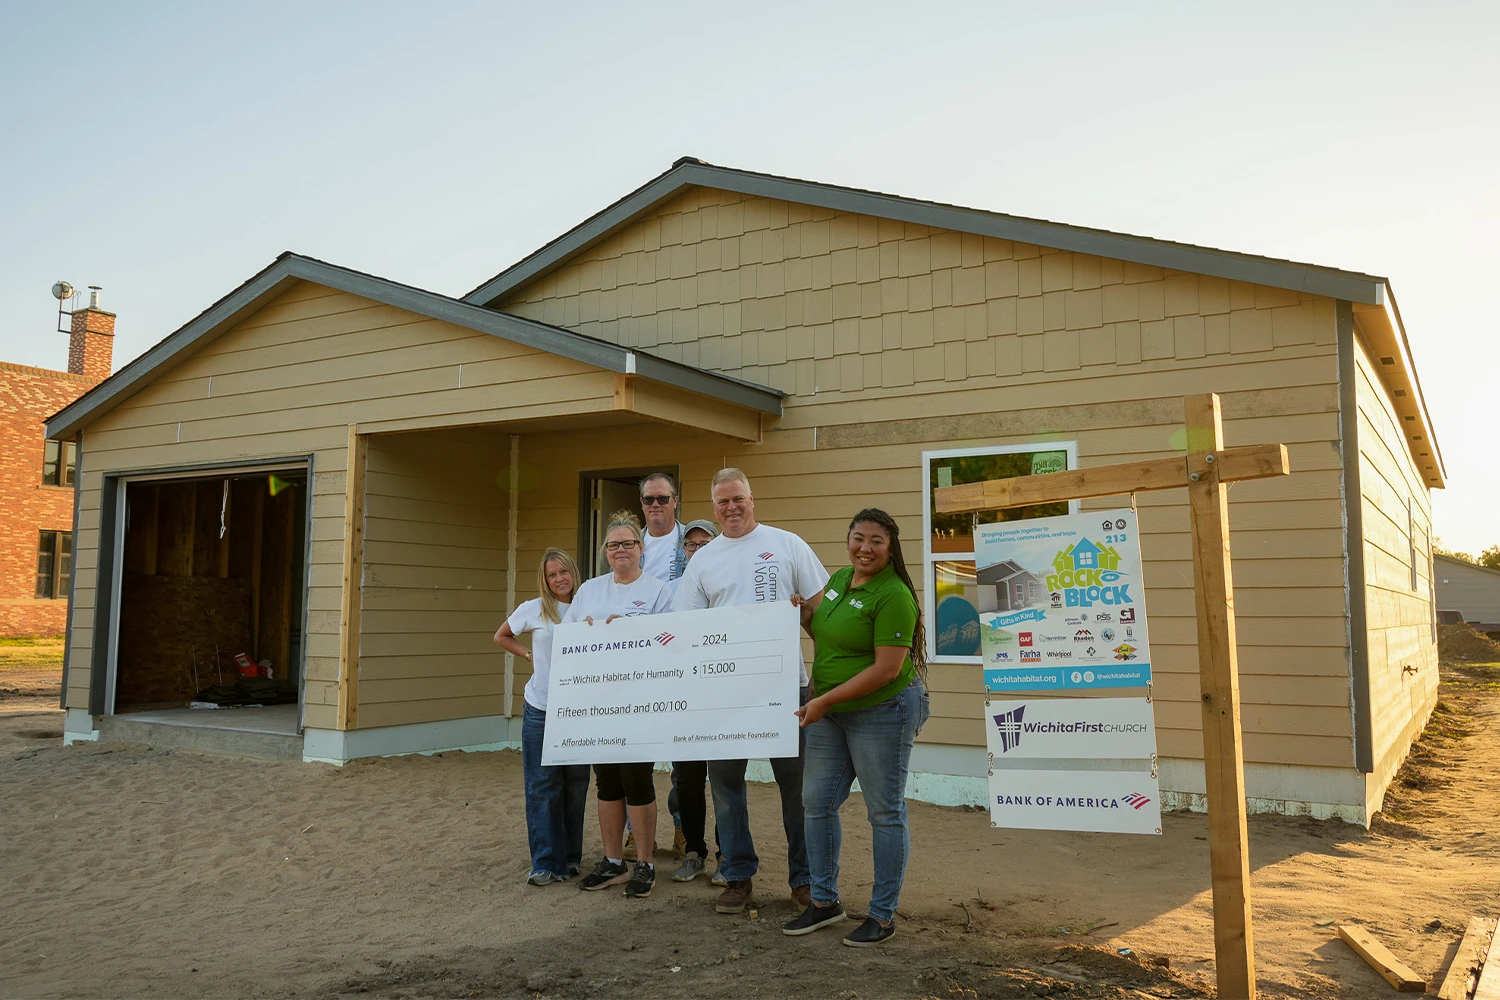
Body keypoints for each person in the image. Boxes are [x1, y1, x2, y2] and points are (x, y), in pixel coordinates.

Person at [673, 468, 829, 914]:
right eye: (722, 501)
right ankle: (738, 875)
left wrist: (820, 676)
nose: (731, 507)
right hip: (725, 694)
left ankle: (804, 880)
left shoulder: (787, 544)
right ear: (714, 506)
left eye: (738, 498)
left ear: (752, 498)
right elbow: (687, 628)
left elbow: (821, 613)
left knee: (797, 788)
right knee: (725, 786)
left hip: (787, 687)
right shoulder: (703, 561)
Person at [782, 508, 930, 948]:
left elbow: (887, 669)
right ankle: (824, 901)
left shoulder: (894, 594)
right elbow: (828, 634)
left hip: (882, 709)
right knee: (816, 802)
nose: (865, 548)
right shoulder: (840, 580)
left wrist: (823, 700)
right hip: (830, 710)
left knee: (884, 811)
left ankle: (882, 916)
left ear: (891, 547)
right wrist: (803, 617)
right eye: (858, 538)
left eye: (876, 541)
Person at [567, 510, 675, 899]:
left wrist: (635, 631)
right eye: (613, 545)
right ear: (605, 551)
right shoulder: (589, 591)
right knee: (607, 781)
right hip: (598, 703)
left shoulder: (659, 591)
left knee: (636, 779)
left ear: (641, 548)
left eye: (628, 543)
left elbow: (671, 641)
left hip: (639, 703)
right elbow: (569, 639)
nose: (621, 550)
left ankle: (644, 863)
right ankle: (614, 861)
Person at [493, 548, 589, 886]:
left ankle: (571, 858)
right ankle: (546, 862)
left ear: (573, 572)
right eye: (552, 575)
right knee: (542, 785)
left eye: (564, 571)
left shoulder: (587, 605)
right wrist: (527, 654)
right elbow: (502, 636)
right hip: (541, 708)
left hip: (578, 710)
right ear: (545, 580)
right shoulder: (533, 609)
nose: (559, 579)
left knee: (575, 786)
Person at [667, 518, 722, 884]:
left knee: (724, 779)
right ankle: (693, 852)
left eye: (706, 543)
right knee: (687, 779)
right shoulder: (670, 590)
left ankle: (728, 855)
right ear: (683, 551)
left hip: (723, 695)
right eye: (691, 544)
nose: (698, 550)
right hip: (683, 695)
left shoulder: (731, 585)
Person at [639, 472, 688, 584]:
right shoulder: (629, 543)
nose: (655, 504)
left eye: (662, 499)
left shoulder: (692, 539)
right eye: (648, 499)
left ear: (675, 501)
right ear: (642, 503)